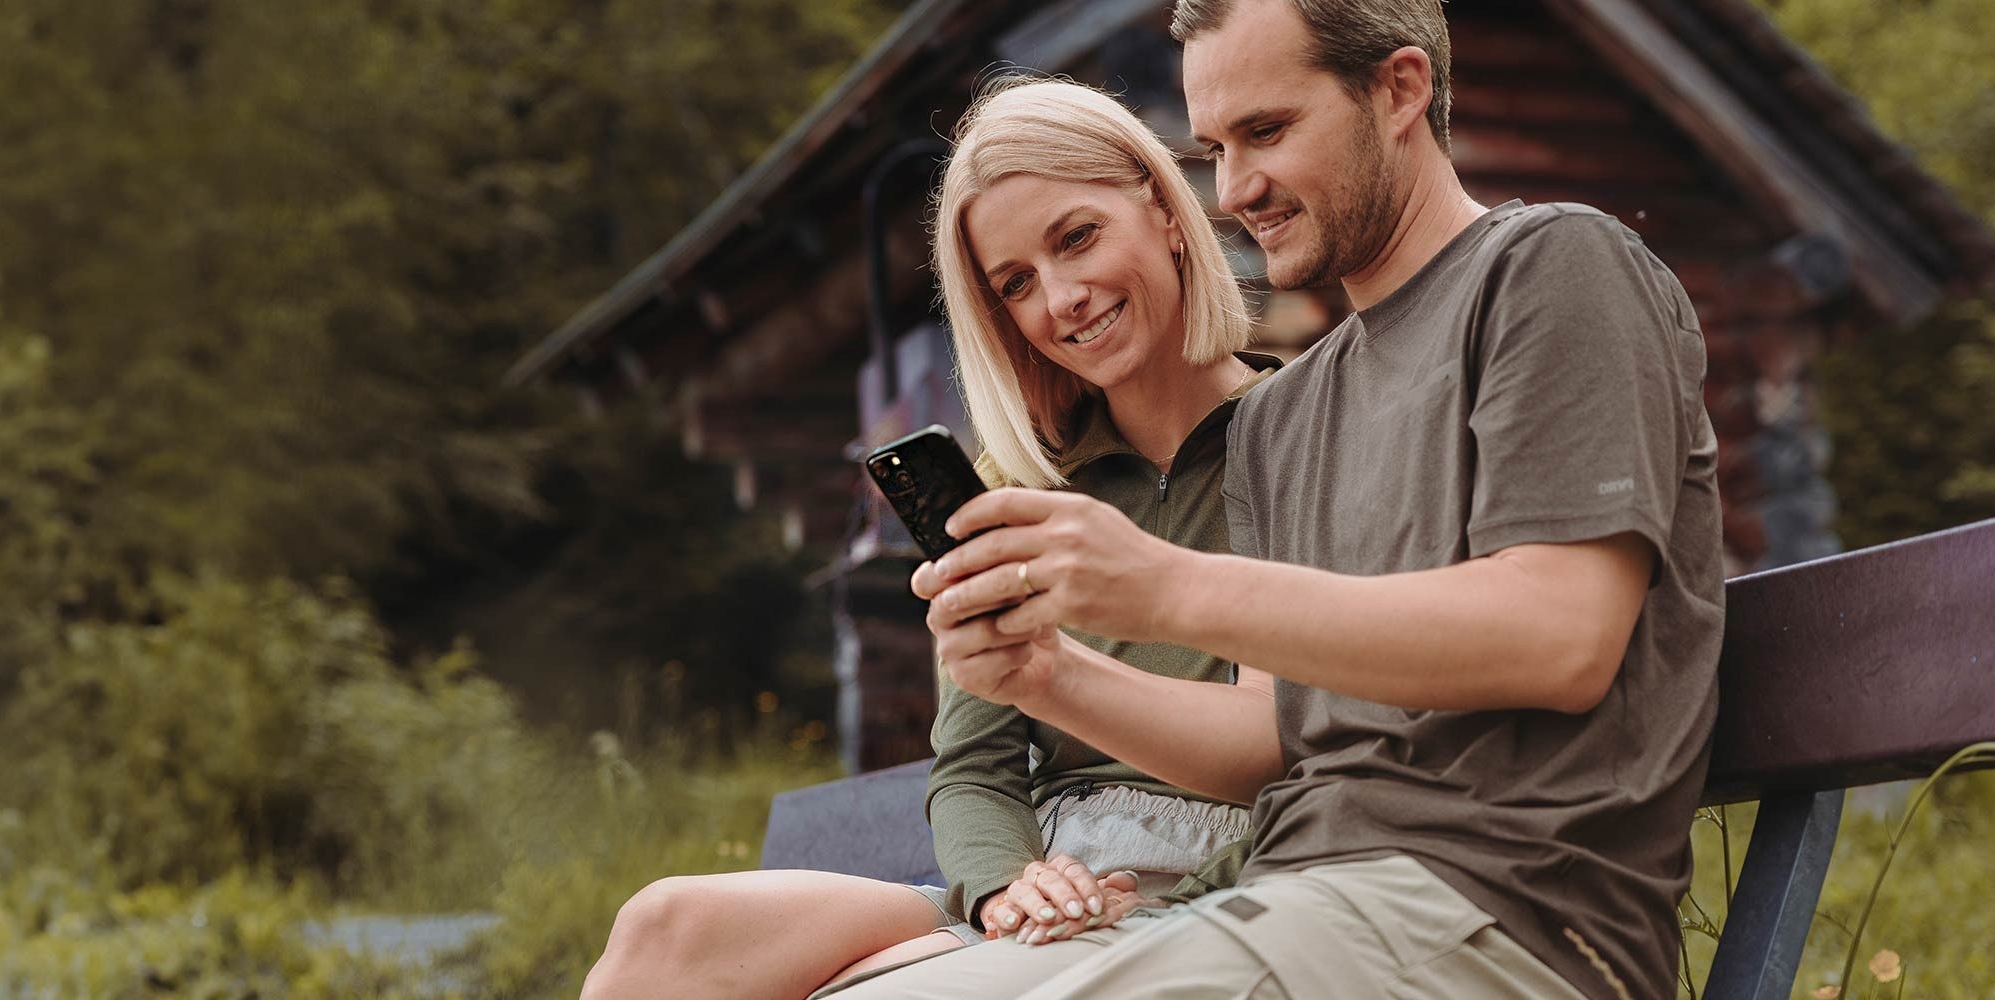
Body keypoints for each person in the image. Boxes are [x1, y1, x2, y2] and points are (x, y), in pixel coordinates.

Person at [827, 1, 1727, 999]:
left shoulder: (1551, 267)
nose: (1236, 187)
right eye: (1214, 146)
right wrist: (1043, 671)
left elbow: (1563, 636)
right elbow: (1273, 740)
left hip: (1502, 918)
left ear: (1398, 91)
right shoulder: (1284, 418)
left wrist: (1163, 587)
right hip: (1292, 902)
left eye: (1267, 132)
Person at [579, 78, 1283, 1000]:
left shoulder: (1294, 432)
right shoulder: (1017, 486)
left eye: (1077, 238)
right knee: (664, 929)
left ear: (1157, 202)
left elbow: (1303, 760)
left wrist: (1133, 907)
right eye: (1017, 285)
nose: (1062, 300)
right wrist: (1005, 886)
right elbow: (974, 768)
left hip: (1213, 866)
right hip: (1048, 867)